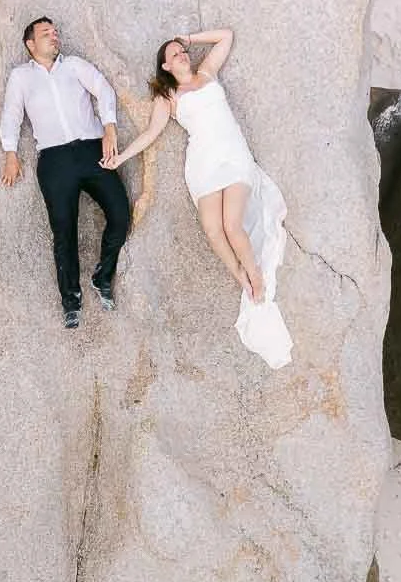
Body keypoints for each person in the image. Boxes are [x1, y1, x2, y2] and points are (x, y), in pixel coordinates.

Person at [103, 26, 291, 368]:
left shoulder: (207, 72)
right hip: (203, 162)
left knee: (232, 225)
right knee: (211, 228)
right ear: (165, 66)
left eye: (182, 51)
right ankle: (240, 276)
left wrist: (188, 38)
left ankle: (256, 276)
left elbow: (227, 37)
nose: (182, 56)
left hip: (233, 155)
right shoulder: (168, 96)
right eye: (174, 54)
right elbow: (150, 134)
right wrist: (122, 157)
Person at [0, 16, 132, 329]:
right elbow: (11, 114)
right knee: (63, 232)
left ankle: (102, 276)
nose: (53, 36)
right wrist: (10, 153)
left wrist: (110, 129)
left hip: (91, 149)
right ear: (31, 44)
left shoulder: (74, 65)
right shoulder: (20, 77)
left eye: (55, 32)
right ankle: (70, 299)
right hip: (54, 159)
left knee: (120, 213)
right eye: (46, 33)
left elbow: (103, 88)